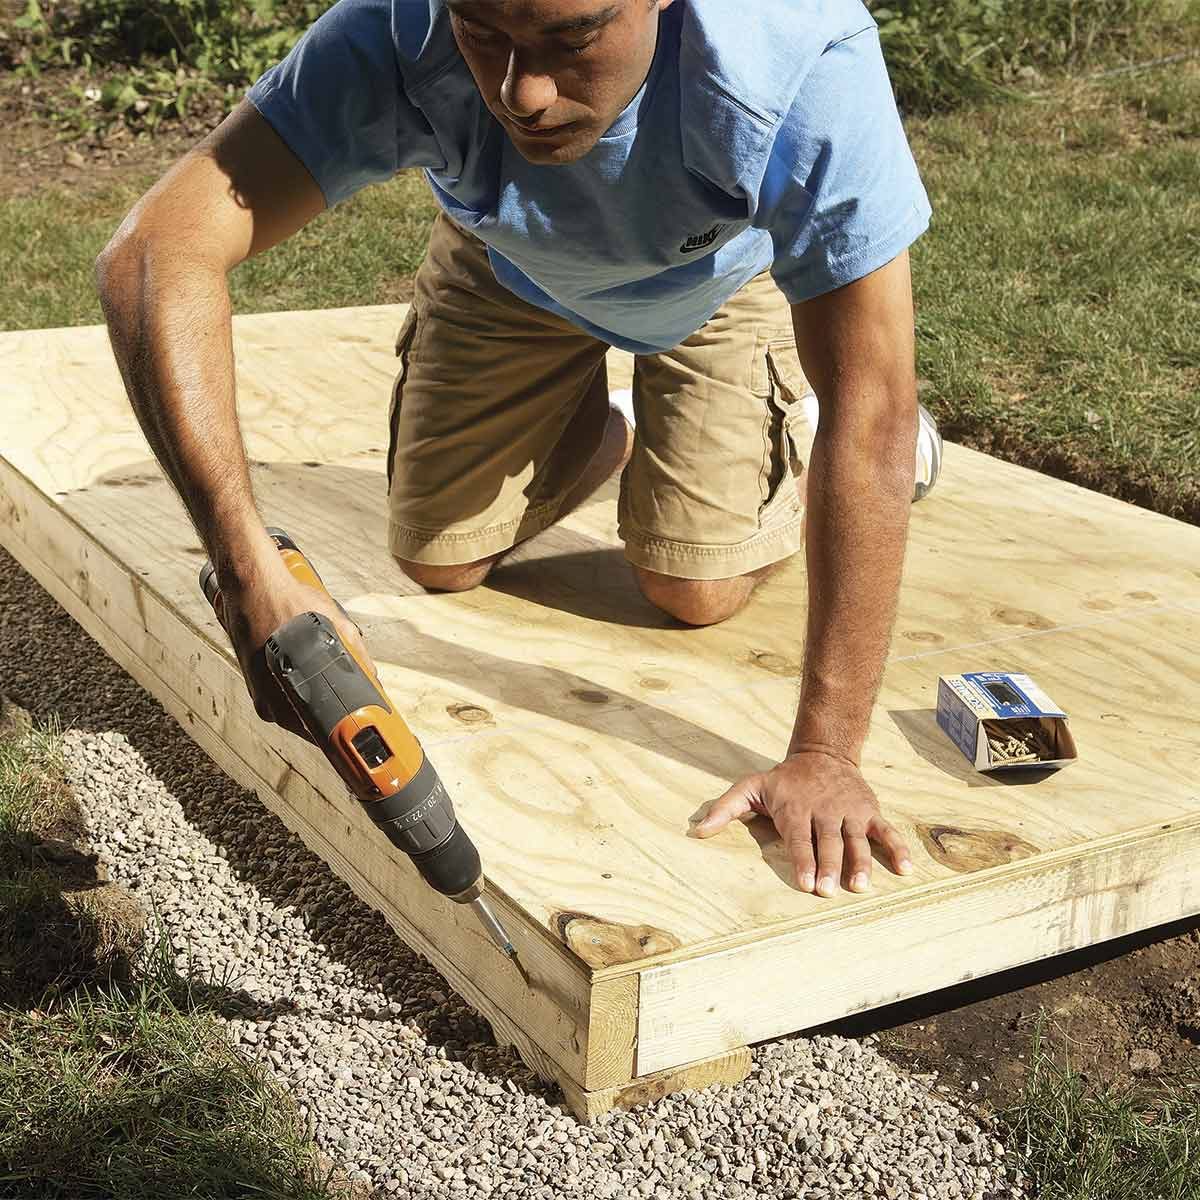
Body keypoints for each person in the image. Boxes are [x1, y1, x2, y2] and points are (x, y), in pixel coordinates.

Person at [96, 0, 942, 901]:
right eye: (485, 36)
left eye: (571, 40)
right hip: (510, 258)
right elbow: (154, 249)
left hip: (719, 277)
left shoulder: (798, 59)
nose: (521, 92)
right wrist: (245, 568)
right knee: (438, 555)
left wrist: (824, 749)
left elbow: (873, 405)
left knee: (693, 588)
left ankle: (789, 446)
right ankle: (610, 421)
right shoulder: (396, 26)